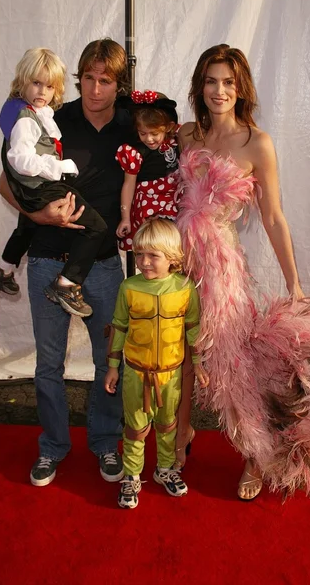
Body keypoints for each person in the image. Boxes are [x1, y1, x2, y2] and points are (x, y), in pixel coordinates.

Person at [175, 44, 310, 500]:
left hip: (220, 267)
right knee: (179, 352)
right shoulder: (185, 135)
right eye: (210, 81)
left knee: (231, 366)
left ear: (241, 88)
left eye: (228, 81)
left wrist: (295, 283)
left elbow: (274, 218)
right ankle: (180, 435)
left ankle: (256, 454)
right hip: (176, 260)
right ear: (199, 86)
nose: (219, 90)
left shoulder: (256, 143)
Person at [0, 38, 135, 487]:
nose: (95, 89)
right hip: (44, 258)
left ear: (119, 84)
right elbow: (6, 180)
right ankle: (53, 446)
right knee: (48, 364)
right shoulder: (52, 117)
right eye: (88, 78)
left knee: (109, 360)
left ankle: (105, 442)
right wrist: (37, 214)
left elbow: (169, 148)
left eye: (105, 80)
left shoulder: (130, 127)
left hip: (102, 264)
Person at [0, 48, 108, 318]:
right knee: (97, 227)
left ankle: (3, 270)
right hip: (39, 188)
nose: (42, 91)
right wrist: (57, 167)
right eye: (36, 83)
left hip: (31, 191)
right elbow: (19, 159)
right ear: (23, 81)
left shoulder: (33, 113)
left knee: (27, 223)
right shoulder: (26, 120)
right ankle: (66, 284)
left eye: (49, 86)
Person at [104, 218, 209, 509]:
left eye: (153, 256)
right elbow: (119, 326)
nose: (144, 262)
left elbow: (193, 329)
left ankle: (165, 469)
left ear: (172, 257)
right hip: (136, 375)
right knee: (135, 429)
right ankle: (131, 476)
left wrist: (198, 364)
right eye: (139, 255)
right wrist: (113, 366)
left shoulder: (186, 288)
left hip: (171, 375)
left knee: (167, 425)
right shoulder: (129, 287)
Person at [115, 90, 179, 251]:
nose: (149, 139)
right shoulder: (135, 152)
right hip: (149, 204)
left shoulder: (177, 142)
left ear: (169, 127)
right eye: (143, 133)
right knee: (154, 246)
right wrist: (125, 218)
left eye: (154, 133)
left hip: (175, 200)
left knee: (172, 247)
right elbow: (128, 184)